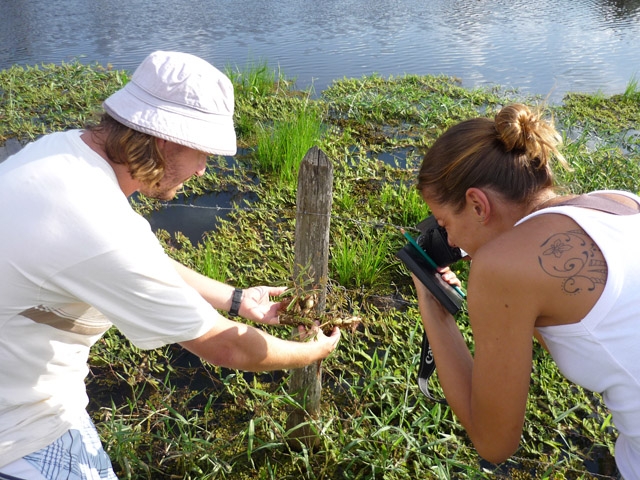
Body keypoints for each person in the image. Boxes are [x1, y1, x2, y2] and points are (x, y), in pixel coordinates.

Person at [0, 50, 340, 480]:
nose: (202, 171)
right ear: (165, 141)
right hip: (22, 434)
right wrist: (312, 351)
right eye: (204, 154)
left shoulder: (60, 152)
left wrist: (237, 299)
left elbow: (137, 259)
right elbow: (227, 346)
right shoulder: (98, 222)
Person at [413, 103, 640, 479]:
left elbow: (493, 443)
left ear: (476, 204)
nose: (448, 239)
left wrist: (434, 308)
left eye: (444, 222)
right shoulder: (619, 202)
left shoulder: (501, 267)